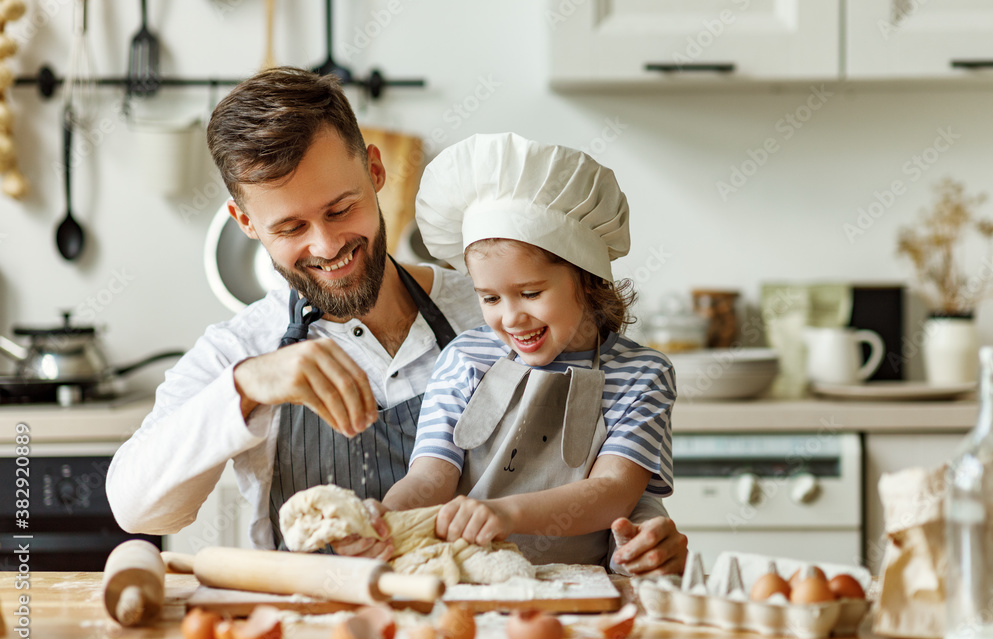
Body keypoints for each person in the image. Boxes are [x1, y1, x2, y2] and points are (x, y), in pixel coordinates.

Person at [105, 67, 687, 575]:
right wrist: (248, 387)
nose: (328, 244)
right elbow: (138, 508)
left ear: (377, 172)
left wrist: (650, 536)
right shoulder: (240, 349)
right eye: (290, 228)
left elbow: (602, 467)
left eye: (342, 208)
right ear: (245, 223)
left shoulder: (488, 308)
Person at [380, 133, 674, 570]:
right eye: (491, 298)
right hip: (473, 577)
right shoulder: (465, 359)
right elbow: (431, 475)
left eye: (530, 292)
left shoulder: (641, 375)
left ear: (587, 279)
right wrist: (385, 521)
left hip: (587, 589)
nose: (511, 318)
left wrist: (506, 513)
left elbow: (613, 491)